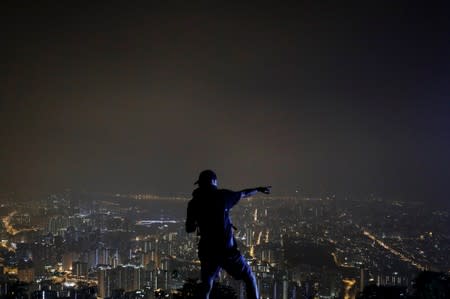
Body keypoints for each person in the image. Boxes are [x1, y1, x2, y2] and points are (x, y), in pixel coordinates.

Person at [186, 169, 271, 299]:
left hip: (208, 250)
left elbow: (189, 228)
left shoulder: (194, 203)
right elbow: (243, 193)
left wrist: (200, 221)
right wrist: (258, 189)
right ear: (214, 182)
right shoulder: (222, 196)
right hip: (226, 250)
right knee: (249, 277)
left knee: (207, 284)